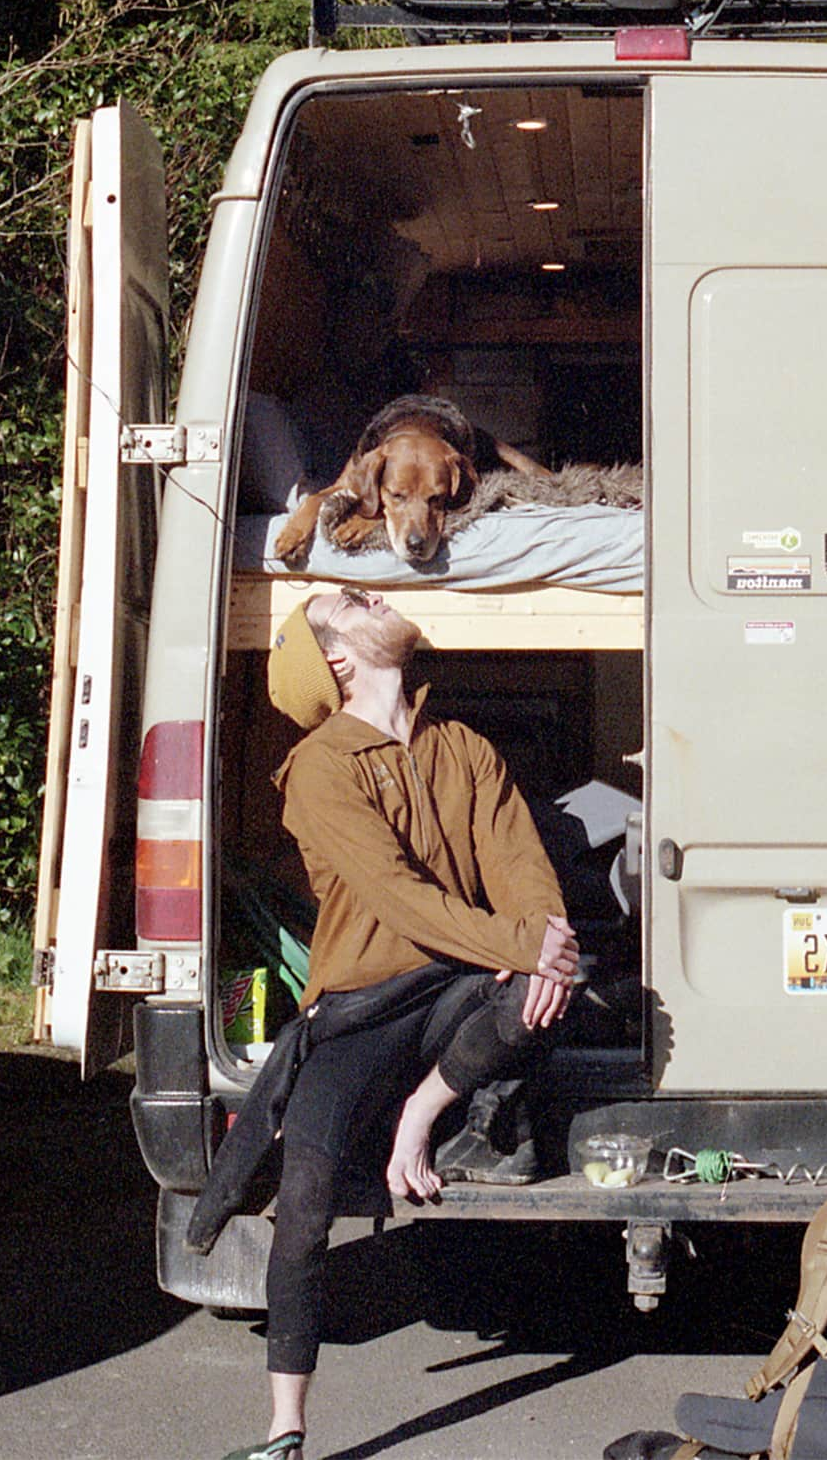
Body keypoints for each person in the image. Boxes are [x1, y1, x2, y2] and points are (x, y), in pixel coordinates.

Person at [223, 583, 578, 1460]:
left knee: (535, 997)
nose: (374, 595)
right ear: (335, 660)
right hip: (358, 1007)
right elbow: (399, 897)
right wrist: (527, 944)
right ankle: (285, 1430)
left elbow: (521, 865)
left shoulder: (465, 746)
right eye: (350, 602)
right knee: (302, 1202)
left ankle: (417, 1120)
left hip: (457, 984)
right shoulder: (319, 767)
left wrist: (547, 939)